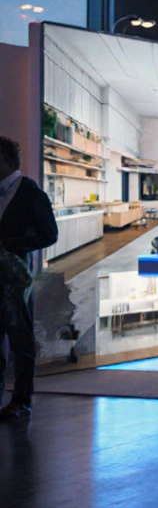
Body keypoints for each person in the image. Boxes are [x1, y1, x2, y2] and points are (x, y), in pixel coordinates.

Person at [0, 135, 58, 423]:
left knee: (21, 341)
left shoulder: (31, 193)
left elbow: (50, 235)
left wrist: (12, 243)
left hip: (16, 280)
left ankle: (21, 400)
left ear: (7, 162)